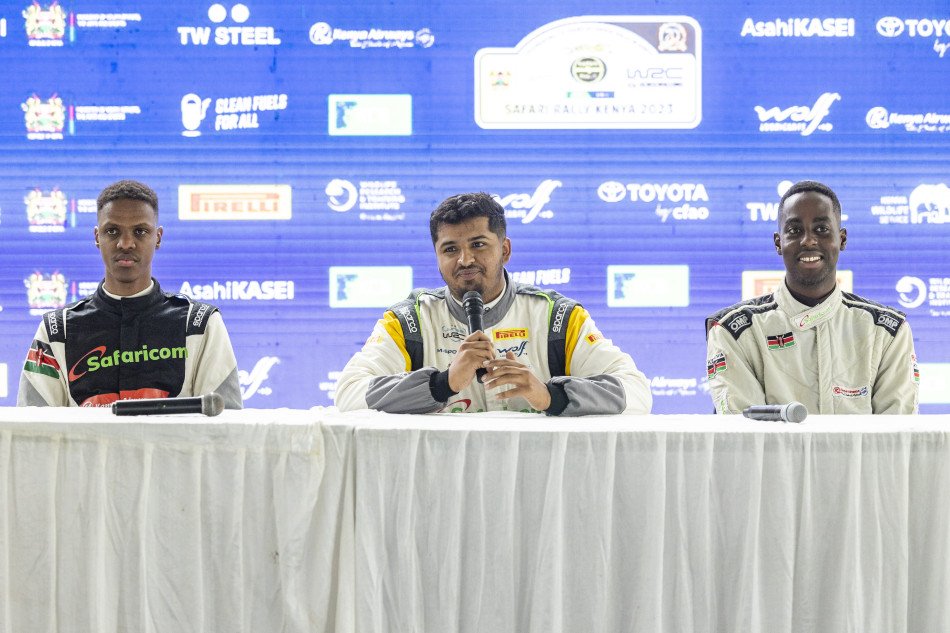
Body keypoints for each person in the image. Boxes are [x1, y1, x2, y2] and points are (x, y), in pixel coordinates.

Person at [335, 192, 652, 415]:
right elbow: (348, 394)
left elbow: (637, 394)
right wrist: (443, 383)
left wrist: (548, 395)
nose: (465, 259)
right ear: (437, 258)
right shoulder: (409, 321)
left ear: (506, 250)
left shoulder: (559, 317)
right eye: (450, 249)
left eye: (478, 245)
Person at [17, 179, 243, 408]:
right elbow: (30, 429)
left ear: (158, 237)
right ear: (97, 237)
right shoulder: (57, 329)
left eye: (140, 231)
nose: (125, 243)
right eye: (112, 231)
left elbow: (226, 426)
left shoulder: (201, 324)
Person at [705, 180, 918, 414]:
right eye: (795, 231)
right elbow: (746, 439)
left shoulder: (887, 331)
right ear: (778, 243)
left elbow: (898, 437)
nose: (808, 241)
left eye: (821, 229)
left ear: (842, 239)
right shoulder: (735, 331)